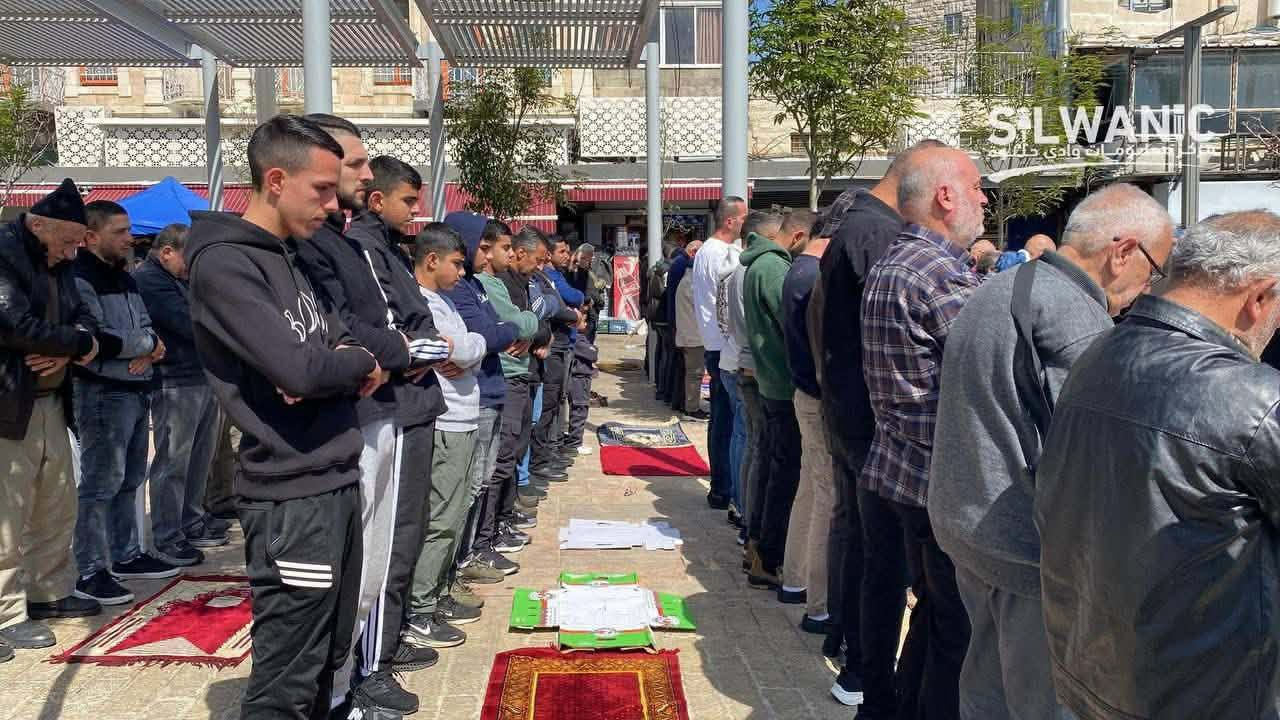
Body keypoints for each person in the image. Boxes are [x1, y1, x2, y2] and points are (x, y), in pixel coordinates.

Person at [930, 184, 1173, 720]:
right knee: (1043, 701)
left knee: (987, 689)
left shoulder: (1004, 284)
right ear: (1123, 251)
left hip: (970, 523)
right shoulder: (1071, 314)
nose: (1148, 287)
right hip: (1026, 548)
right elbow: (1093, 457)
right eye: (1154, 270)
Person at [1035, 210, 1280, 720]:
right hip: (1207, 695)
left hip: (1090, 671)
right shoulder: (1257, 400)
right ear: (1259, 298)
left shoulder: (1096, 352)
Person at [187, 114, 383, 720]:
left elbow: (343, 345)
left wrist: (339, 363)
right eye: (321, 189)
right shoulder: (225, 263)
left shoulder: (294, 256)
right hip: (290, 496)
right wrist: (334, 366)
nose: (333, 204)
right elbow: (300, 370)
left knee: (329, 655)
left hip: (335, 477)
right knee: (288, 678)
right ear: (275, 180)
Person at [293, 116, 449, 717]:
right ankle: (347, 680)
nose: (361, 175)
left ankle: (360, 670)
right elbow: (354, 328)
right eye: (353, 164)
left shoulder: (354, 243)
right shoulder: (315, 245)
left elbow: (404, 322)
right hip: (354, 414)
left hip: (385, 405)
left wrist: (404, 348)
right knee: (354, 561)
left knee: (383, 549)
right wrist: (397, 352)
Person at [813, 140, 945, 713]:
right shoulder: (875, 233)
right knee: (880, 559)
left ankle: (854, 654)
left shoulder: (861, 228)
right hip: (869, 423)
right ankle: (866, 672)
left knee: (865, 545)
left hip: (854, 414)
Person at [861, 144, 988, 720]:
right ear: (946, 196)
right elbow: (991, 372)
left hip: (907, 471)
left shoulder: (904, 261)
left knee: (938, 617)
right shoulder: (933, 271)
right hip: (934, 476)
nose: (984, 200)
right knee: (957, 635)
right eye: (977, 188)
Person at [0, 179, 104, 659]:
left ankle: (49, 592)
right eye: (67, 242)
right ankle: (6, 614)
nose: (71, 253)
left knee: (55, 504)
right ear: (38, 225)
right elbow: (14, 326)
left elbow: (86, 320)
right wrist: (78, 345)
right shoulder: (4, 255)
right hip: (8, 404)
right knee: (7, 515)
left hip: (49, 400)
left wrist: (71, 349)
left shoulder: (58, 260)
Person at [72, 200, 179, 605]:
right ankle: (90, 570)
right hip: (102, 393)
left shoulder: (125, 276)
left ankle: (126, 554)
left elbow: (144, 327)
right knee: (101, 483)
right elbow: (95, 339)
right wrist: (146, 344)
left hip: (136, 388)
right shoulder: (80, 278)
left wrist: (148, 348)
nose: (129, 238)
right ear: (90, 236)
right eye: (119, 231)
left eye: (129, 230)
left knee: (131, 479)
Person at [408, 223, 489, 649]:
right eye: (456, 264)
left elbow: (475, 344)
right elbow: (455, 349)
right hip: (447, 420)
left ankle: (437, 591)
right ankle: (420, 609)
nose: (462, 272)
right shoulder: (421, 303)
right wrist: (466, 348)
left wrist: (467, 347)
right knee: (441, 519)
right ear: (432, 260)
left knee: (454, 515)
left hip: (464, 416)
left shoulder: (446, 301)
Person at [134, 223, 230, 569]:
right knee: (174, 462)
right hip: (175, 381)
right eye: (190, 259)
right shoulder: (150, 279)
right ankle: (167, 534)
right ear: (167, 252)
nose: (194, 268)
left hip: (201, 376)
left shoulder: (179, 278)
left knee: (200, 459)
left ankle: (191, 519)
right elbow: (189, 322)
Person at [439, 214, 521, 596]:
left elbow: (499, 327)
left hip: (489, 389)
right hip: (474, 399)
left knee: (482, 482)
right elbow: (488, 332)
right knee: (468, 489)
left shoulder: (473, 285)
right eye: (483, 248)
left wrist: (505, 330)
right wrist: (506, 331)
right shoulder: (457, 290)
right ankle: (455, 566)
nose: (487, 256)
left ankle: (470, 553)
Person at [470, 225, 548, 576]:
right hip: (503, 376)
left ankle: (498, 523)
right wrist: (525, 325)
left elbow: (537, 318)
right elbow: (517, 323)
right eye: (503, 247)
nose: (507, 253)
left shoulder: (505, 283)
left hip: (516, 374)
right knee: (498, 462)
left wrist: (528, 326)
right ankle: (486, 538)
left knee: (510, 452)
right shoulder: (485, 285)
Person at [742, 210, 813, 592]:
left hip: (771, 380)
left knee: (772, 467)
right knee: (783, 475)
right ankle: (768, 555)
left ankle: (758, 544)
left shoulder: (761, 265)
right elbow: (793, 325)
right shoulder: (772, 268)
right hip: (782, 384)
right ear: (798, 237)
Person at [779, 222, 832, 634]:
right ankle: (819, 605)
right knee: (825, 497)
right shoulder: (813, 275)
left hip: (804, 391)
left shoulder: (797, 271)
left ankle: (795, 580)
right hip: (816, 396)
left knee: (810, 490)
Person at [729, 212, 784, 567]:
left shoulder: (743, 270)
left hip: (746, 361)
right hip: (757, 366)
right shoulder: (761, 269)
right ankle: (750, 520)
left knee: (751, 444)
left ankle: (746, 516)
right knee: (758, 448)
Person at [691, 196, 748, 509]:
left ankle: (721, 486)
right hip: (723, 346)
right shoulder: (720, 254)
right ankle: (724, 487)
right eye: (743, 217)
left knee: (721, 420)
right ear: (730, 221)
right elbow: (726, 303)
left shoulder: (707, 251)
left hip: (715, 342)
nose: (746, 223)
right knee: (727, 422)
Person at [673, 242, 705, 419]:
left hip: (688, 334)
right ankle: (691, 408)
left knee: (690, 372)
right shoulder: (691, 284)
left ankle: (687, 405)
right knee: (695, 374)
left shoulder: (686, 282)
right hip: (693, 336)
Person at [664, 238, 695, 411]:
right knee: (682, 367)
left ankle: (671, 397)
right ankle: (678, 401)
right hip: (680, 322)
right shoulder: (683, 267)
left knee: (676, 363)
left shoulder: (677, 264)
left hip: (676, 320)